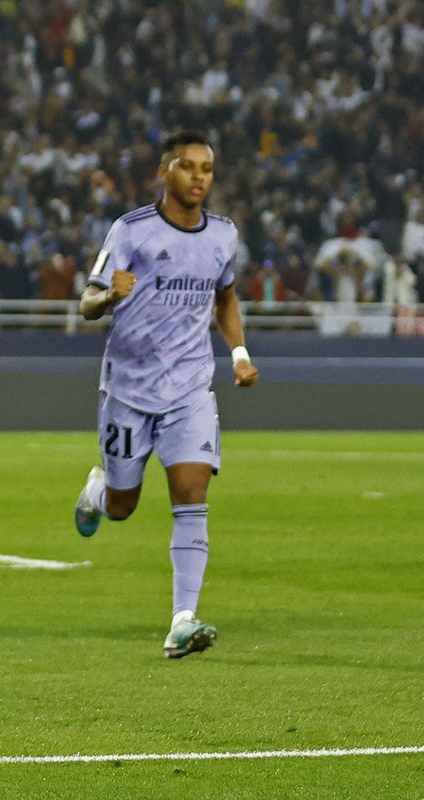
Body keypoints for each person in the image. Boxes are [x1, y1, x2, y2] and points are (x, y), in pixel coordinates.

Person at [72, 131, 259, 660]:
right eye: (187, 166)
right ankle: (98, 494)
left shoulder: (223, 235)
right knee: (124, 506)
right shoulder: (131, 231)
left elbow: (225, 297)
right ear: (164, 172)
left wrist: (239, 354)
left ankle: (183, 620)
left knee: (192, 496)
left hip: (190, 386)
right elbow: (87, 304)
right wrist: (109, 296)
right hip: (129, 389)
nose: (199, 177)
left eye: (207, 169)